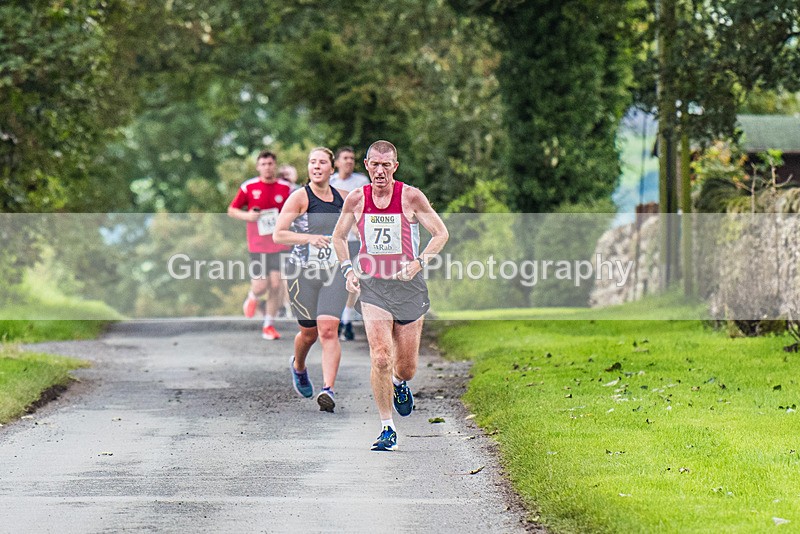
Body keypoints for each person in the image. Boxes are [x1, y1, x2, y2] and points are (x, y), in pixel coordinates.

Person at [332, 140, 448, 451]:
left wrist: (418, 263)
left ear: (395, 167)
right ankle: (387, 428)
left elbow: (441, 233)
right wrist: (348, 271)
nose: (380, 171)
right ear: (366, 166)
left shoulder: (410, 196)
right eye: (375, 165)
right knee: (381, 357)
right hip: (374, 287)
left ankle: (400, 385)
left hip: (408, 286)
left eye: (387, 165)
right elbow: (339, 236)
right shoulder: (357, 199)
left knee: (406, 366)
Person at [274, 147, 349, 412]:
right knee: (309, 334)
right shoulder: (299, 198)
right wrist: (309, 239)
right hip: (301, 273)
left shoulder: (344, 198)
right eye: (312, 162)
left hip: (333, 272)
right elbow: (279, 234)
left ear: (332, 168)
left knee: (329, 330)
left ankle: (328, 389)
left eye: (322, 163)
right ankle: (299, 366)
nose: (316, 167)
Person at [227, 150, 291, 340]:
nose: (267, 167)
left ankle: (268, 325)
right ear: (258, 167)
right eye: (263, 164)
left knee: (276, 284)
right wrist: (248, 216)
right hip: (257, 246)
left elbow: (296, 209)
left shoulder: (286, 188)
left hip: (279, 245)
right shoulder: (249, 187)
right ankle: (253, 296)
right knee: (261, 286)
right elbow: (232, 210)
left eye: (270, 164)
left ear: (275, 165)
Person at [330, 146, 371, 341]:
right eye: (345, 158)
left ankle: (346, 321)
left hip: (355, 238)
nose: (349, 161)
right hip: (333, 239)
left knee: (353, 280)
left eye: (352, 158)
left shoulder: (361, 181)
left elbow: (363, 205)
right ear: (336, 162)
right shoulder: (329, 182)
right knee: (335, 282)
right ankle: (336, 319)